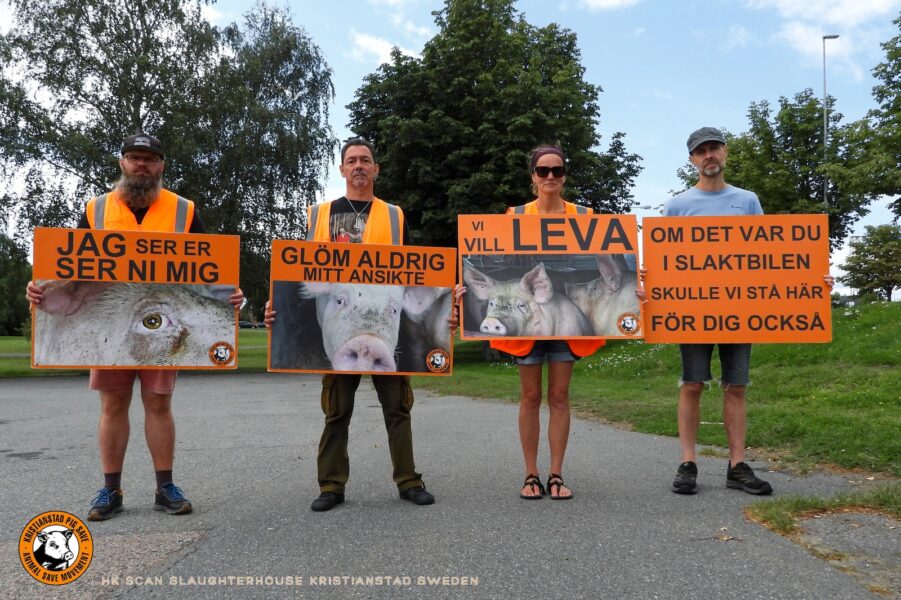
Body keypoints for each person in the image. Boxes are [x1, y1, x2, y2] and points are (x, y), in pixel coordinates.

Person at [26, 133, 244, 520]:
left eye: (150, 159)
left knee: (159, 403)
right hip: (107, 327)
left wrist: (231, 294)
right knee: (112, 405)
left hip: (164, 326)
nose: (141, 165)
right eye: (134, 157)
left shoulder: (184, 210)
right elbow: (70, 269)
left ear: (161, 166)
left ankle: (165, 488)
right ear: (122, 163)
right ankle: (110, 490)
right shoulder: (95, 210)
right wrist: (42, 287)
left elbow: (210, 267)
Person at [265, 137, 435, 512]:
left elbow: (411, 271)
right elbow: (300, 270)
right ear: (341, 169)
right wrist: (276, 303)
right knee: (337, 411)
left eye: (366, 160)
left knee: (397, 409)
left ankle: (408, 480)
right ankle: (331, 485)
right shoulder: (319, 214)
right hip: (341, 325)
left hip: (381, 326)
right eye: (352, 161)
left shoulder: (394, 215)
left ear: (375, 169)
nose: (359, 166)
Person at [661, 127, 833, 495]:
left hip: (741, 308)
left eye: (714, 148)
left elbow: (768, 257)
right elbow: (666, 262)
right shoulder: (677, 206)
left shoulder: (748, 200)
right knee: (692, 384)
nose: (709, 155)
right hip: (694, 311)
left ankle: (737, 465)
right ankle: (688, 461)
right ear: (692, 159)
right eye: (701, 151)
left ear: (724, 153)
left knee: (735, 385)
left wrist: (813, 281)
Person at [457, 145, 606, 500]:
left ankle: (556, 474)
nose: (550, 177)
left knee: (558, 396)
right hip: (528, 318)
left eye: (557, 170)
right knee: (529, 396)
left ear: (565, 176)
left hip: (560, 320)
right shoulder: (514, 216)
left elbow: (611, 258)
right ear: (533, 178)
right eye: (543, 171)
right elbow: (492, 253)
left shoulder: (586, 217)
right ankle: (530, 474)